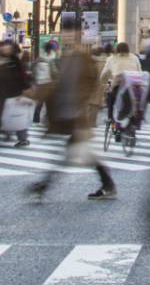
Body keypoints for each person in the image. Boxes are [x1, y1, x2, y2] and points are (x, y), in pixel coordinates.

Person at [28, 15, 113, 201]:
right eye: (65, 32)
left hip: (78, 114)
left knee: (70, 153)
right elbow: (60, 84)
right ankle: (107, 184)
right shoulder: (66, 56)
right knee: (79, 153)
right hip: (67, 114)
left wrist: (85, 107)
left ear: (78, 34)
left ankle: (44, 186)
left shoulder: (83, 57)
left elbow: (93, 84)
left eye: (70, 32)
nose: (67, 35)